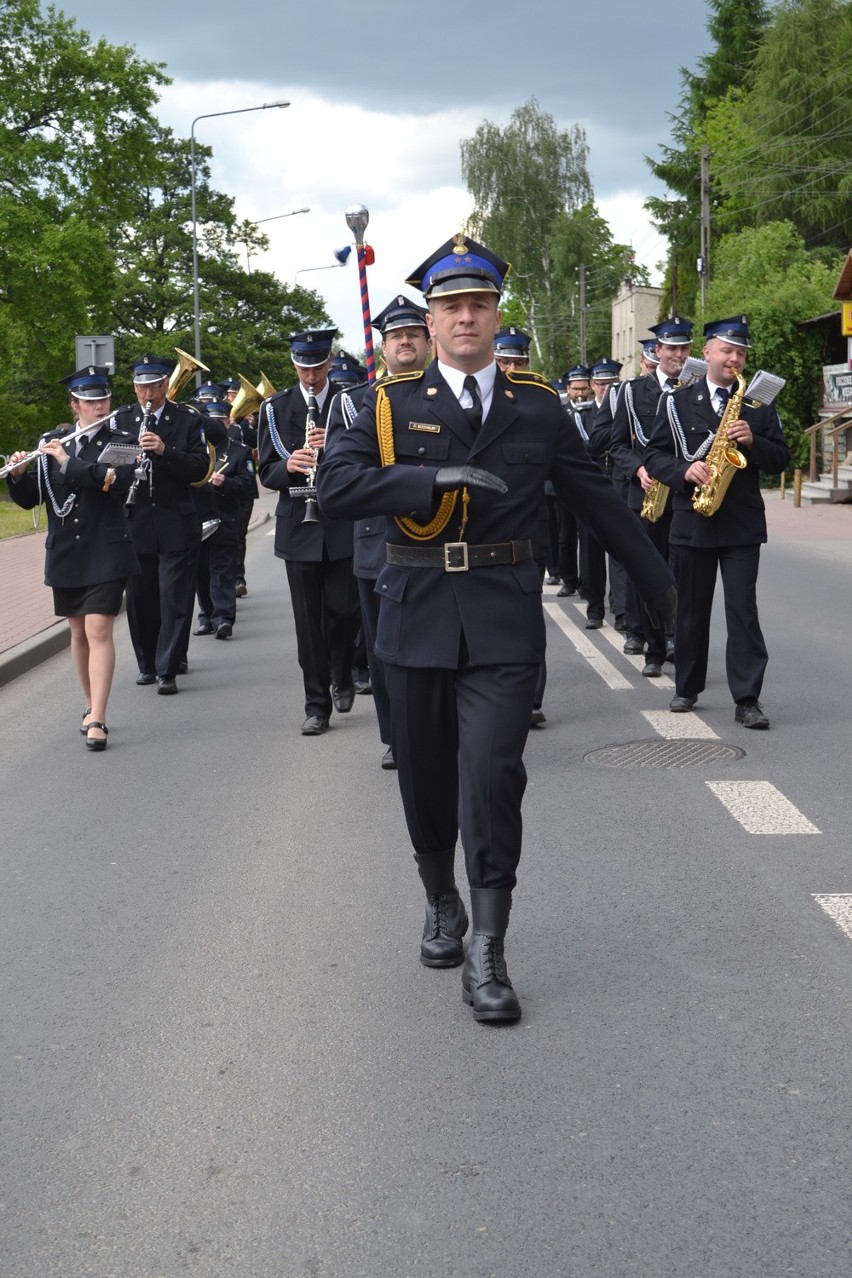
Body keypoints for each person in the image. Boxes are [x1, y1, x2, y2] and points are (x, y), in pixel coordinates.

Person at [317, 233, 675, 1023]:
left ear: (495, 313)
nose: (466, 318)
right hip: (413, 613)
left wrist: (660, 585)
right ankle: (439, 897)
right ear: (432, 321)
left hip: (503, 615)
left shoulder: (538, 406)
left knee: (491, 775)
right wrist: (426, 477)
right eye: (451, 307)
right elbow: (337, 487)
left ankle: (488, 945)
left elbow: (596, 501)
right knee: (424, 777)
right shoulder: (387, 403)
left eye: (478, 304)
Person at [644, 315, 790, 728]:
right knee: (691, 608)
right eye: (727, 350)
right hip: (693, 519)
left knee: (742, 610)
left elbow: (782, 458)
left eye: (741, 353)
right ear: (706, 352)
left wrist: (753, 440)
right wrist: (683, 472)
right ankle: (686, 688)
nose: (734, 359)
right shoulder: (675, 401)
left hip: (741, 523)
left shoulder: (757, 404)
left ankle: (747, 699)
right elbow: (654, 455)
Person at [4, 366, 139, 750]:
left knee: (99, 628)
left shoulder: (124, 440)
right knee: (77, 632)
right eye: (91, 401)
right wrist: (18, 475)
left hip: (107, 549)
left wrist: (67, 461)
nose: (100, 407)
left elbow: (115, 483)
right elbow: (35, 497)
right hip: (66, 551)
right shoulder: (53, 440)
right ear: (74, 404)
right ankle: (88, 702)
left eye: (104, 399)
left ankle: (99, 716)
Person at [325, 296, 432, 769]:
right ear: (382, 347)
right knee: (383, 646)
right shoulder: (355, 402)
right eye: (395, 337)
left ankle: (437, 726)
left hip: (435, 534)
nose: (404, 342)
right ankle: (396, 736)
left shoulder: (445, 390)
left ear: (428, 340)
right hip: (376, 538)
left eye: (412, 334)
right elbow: (341, 473)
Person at [257, 328, 358, 736]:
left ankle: (344, 672)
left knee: (345, 613)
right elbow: (266, 471)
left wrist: (330, 448)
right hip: (298, 526)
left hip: (341, 523)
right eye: (303, 367)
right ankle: (316, 705)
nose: (311, 376)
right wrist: (290, 465)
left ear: (330, 362)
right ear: (294, 365)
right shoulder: (274, 409)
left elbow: (365, 460)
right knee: (307, 623)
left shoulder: (349, 403)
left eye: (317, 366)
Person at [117, 354, 211, 695]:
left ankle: (168, 669)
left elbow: (200, 467)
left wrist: (165, 451)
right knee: (140, 597)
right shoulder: (123, 419)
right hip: (136, 520)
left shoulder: (186, 420)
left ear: (166, 386)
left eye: (155, 386)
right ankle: (147, 664)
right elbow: (109, 467)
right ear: (134, 387)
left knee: (174, 596)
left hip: (176, 520)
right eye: (142, 387)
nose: (148, 394)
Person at [608, 317, 694, 674]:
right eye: (670, 348)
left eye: (683, 348)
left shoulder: (695, 389)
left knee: (682, 571)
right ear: (656, 351)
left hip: (683, 495)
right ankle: (649, 642)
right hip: (643, 495)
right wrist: (640, 470)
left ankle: (677, 638)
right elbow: (617, 445)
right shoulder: (631, 392)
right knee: (648, 570)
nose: (677, 354)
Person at [192, 399, 255, 639]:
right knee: (201, 573)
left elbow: (248, 485)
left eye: (218, 422)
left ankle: (224, 618)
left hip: (225, 517)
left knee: (222, 570)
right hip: (198, 519)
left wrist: (225, 483)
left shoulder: (239, 451)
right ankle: (206, 616)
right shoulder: (195, 449)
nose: (214, 427)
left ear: (227, 423)